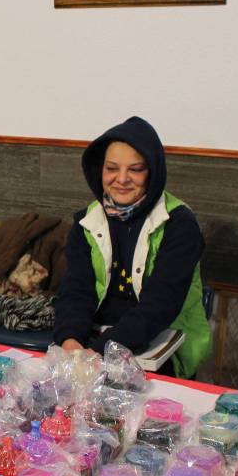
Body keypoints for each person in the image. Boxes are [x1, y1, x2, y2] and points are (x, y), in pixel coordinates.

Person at [53, 116, 212, 377]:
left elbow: (160, 305)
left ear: (153, 171)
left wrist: (102, 352)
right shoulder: (87, 220)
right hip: (97, 340)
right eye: (112, 168)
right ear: (99, 169)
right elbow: (75, 290)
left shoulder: (179, 224)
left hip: (159, 341)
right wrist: (70, 341)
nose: (122, 179)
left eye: (135, 169)